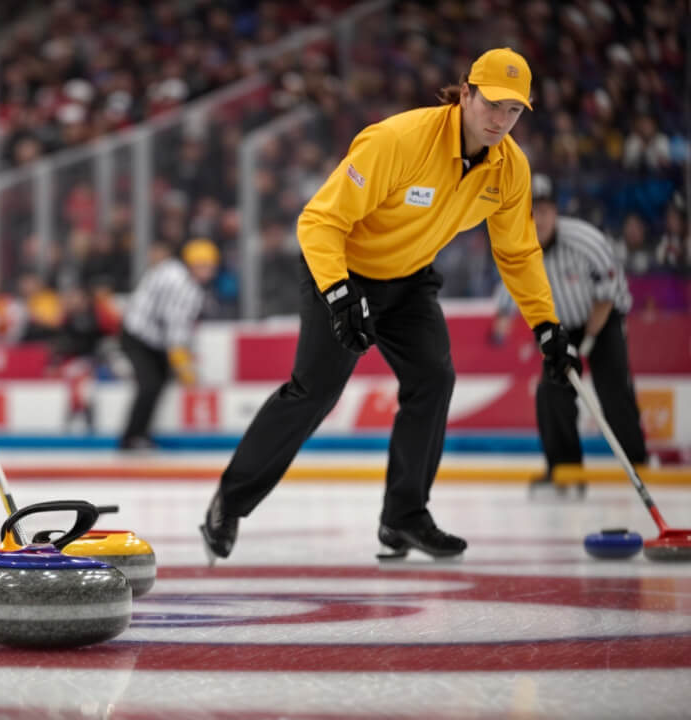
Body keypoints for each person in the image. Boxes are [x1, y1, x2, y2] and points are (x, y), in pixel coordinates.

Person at [200, 48, 579, 561]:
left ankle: (403, 516)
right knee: (313, 392)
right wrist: (338, 293)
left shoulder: (510, 170)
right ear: (465, 93)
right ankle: (230, 502)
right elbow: (318, 222)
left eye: (514, 111)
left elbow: (517, 252)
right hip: (342, 271)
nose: (500, 120)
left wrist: (547, 326)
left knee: (433, 379)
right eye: (491, 104)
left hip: (408, 281)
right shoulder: (399, 141)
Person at [491, 174, 647, 493]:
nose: (539, 220)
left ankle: (638, 465)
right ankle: (565, 472)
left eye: (545, 211)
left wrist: (590, 338)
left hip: (601, 322)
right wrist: (502, 325)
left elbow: (609, 291)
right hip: (559, 331)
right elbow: (509, 293)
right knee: (551, 393)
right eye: (532, 212)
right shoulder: (517, 247)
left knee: (614, 388)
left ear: (556, 212)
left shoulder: (585, 240)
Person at [118, 238, 219, 450]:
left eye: (209, 267)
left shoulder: (169, 268)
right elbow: (176, 327)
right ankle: (132, 437)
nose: (206, 272)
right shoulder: (188, 289)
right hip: (140, 337)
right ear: (190, 263)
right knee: (150, 384)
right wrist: (183, 365)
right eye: (202, 266)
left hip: (139, 332)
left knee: (157, 383)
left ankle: (139, 434)